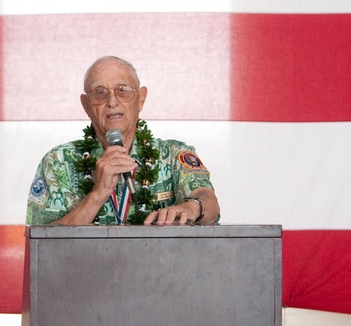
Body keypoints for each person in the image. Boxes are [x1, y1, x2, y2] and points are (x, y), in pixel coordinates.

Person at [26, 55, 220, 226]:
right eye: (100, 93)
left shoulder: (173, 154)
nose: (112, 101)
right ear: (86, 105)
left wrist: (192, 208)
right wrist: (97, 194)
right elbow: (41, 240)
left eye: (123, 90)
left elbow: (209, 202)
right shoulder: (58, 161)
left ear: (141, 98)